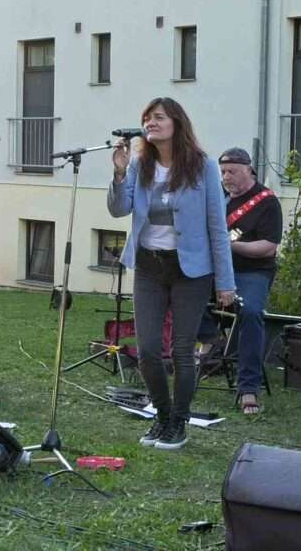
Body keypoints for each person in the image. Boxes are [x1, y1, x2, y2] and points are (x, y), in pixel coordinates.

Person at [108, 96, 235, 450]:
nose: (150, 123)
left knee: (181, 350)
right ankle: (162, 416)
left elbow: (217, 227)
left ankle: (179, 421)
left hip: (190, 270)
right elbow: (119, 209)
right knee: (148, 350)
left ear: (177, 123)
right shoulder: (139, 165)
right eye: (147, 118)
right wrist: (119, 173)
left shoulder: (202, 166)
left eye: (159, 117)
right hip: (149, 266)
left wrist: (225, 282)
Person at [216, 147, 283, 415]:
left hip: (252, 272)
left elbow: (268, 247)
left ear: (248, 170)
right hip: (217, 271)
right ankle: (209, 345)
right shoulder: (218, 198)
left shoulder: (267, 202)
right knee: (179, 295)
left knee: (252, 313)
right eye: (223, 172)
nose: (226, 177)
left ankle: (248, 387)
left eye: (232, 171)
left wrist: (228, 246)